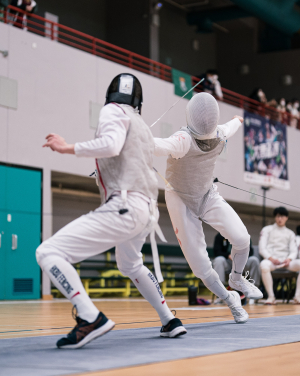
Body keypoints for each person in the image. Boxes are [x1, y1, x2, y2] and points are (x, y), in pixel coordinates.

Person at [36, 73, 186, 349]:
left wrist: (67, 147)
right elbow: (137, 155)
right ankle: (169, 320)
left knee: (48, 252)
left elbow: (111, 145)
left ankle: (90, 316)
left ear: (110, 94)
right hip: (147, 212)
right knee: (130, 264)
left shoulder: (111, 110)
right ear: (138, 100)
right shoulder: (140, 124)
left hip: (125, 207)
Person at [153, 92, 263, 324]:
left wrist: (237, 121)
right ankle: (231, 299)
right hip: (180, 199)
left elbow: (230, 126)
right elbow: (158, 145)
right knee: (201, 268)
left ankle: (236, 278)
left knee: (243, 239)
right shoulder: (183, 140)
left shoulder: (220, 133)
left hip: (207, 195)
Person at [259, 207, 300, 305]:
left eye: (282, 216)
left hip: (286, 262)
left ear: (286, 218)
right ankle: (271, 297)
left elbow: (294, 251)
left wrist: (289, 259)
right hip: (272, 261)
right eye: (278, 216)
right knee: (264, 265)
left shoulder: (290, 233)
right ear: (275, 217)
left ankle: (298, 296)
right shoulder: (267, 230)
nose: (280, 219)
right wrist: (271, 258)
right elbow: (262, 248)